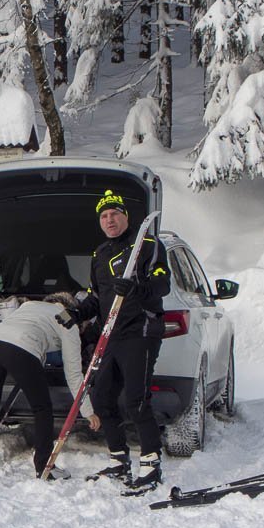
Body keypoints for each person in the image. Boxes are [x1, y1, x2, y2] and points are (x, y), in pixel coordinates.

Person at [70, 190, 171, 490]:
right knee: (102, 399)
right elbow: (95, 297)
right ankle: (119, 460)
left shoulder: (148, 245)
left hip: (140, 331)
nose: (109, 219)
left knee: (136, 400)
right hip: (110, 335)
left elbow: (162, 284)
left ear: (126, 216)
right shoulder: (99, 254)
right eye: (104, 216)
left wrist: (137, 288)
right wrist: (74, 314)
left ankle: (151, 463)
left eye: (114, 213)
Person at [0, 292, 99, 479]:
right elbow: (73, 374)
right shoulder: (69, 322)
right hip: (23, 350)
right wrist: (88, 411)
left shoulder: (29, 306)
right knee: (42, 408)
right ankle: (44, 466)